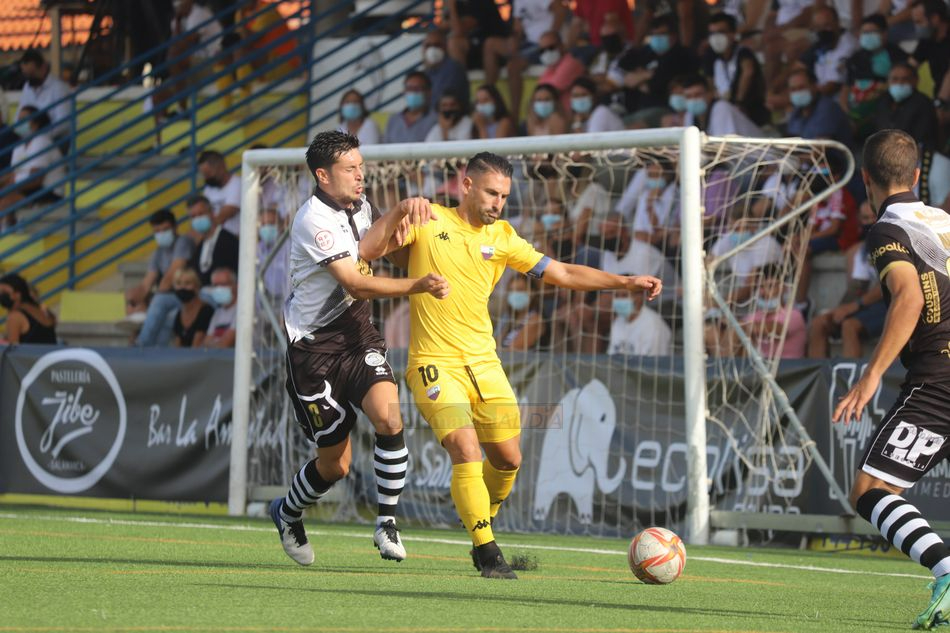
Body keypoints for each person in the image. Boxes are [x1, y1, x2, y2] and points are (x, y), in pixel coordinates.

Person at [358, 152, 661, 578]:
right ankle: (486, 551)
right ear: (466, 185)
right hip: (434, 363)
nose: (498, 202)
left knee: (508, 459)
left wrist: (625, 280)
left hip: (485, 363)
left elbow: (566, 275)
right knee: (465, 449)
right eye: (490, 192)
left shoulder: (504, 237)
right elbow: (368, 251)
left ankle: (480, 515)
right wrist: (401, 210)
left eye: (503, 195)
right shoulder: (429, 220)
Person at [270, 131, 449, 567]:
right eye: (350, 169)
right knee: (335, 465)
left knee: (389, 417)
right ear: (323, 175)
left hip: (358, 337)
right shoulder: (313, 219)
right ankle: (288, 512)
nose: (360, 176)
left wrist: (408, 228)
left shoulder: (361, 208)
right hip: (313, 351)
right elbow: (355, 281)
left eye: (361, 167)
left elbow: (376, 251)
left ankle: (386, 522)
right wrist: (417, 286)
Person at [833, 129, 950, 630]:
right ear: (918, 175)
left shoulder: (888, 231)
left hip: (940, 377)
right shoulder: (945, 221)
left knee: (870, 489)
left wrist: (871, 375)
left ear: (865, 180)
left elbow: (910, 297)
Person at [808, 201, 886, 358]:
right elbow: (857, 286)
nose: (869, 222)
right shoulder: (859, 251)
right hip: (865, 303)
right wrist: (841, 309)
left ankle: (850, 378)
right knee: (819, 323)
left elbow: (886, 286)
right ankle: (819, 379)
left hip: (887, 304)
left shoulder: (890, 245)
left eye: (873, 217)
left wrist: (854, 306)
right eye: (865, 218)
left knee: (849, 326)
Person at [132, 208, 196, 347]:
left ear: (175, 227)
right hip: (172, 302)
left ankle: (140, 346)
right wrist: (136, 300)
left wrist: (150, 302)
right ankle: (154, 356)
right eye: (157, 231)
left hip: (187, 296)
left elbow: (170, 278)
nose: (161, 234)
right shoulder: (158, 252)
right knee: (167, 317)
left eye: (165, 229)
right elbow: (146, 283)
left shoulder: (183, 242)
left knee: (160, 302)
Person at [0, 107, 65, 230]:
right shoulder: (19, 146)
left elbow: (36, 180)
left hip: (48, 191)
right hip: (24, 188)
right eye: (19, 119)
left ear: (36, 124)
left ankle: (6, 233)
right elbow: (12, 175)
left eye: (24, 119)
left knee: (6, 200)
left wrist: (9, 186)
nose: (19, 122)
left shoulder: (41, 142)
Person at [701, 12, 768, 127]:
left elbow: (748, 71)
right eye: (712, 33)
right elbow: (711, 85)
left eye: (721, 32)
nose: (716, 38)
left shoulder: (743, 53)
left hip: (750, 118)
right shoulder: (712, 58)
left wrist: (738, 102)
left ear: (733, 33)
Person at [871, 63, 939, 150]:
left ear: (915, 81)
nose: (899, 83)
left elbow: (922, 136)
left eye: (905, 79)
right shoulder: (882, 101)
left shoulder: (924, 103)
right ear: (888, 81)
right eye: (895, 79)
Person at [784, 68, 854, 146]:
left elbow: (818, 153)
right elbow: (790, 143)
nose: (797, 92)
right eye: (793, 89)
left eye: (801, 88)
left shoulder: (827, 109)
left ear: (814, 86)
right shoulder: (797, 111)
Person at [16, 49, 71, 145]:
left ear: (43, 68)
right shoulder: (27, 87)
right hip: (31, 139)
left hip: (56, 140)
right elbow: (19, 116)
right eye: (26, 75)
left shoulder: (59, 88)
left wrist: (41, 137)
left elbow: (63, 123)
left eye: (32, 74)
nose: (29, 79)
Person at [187, 195, 239, 288]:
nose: (197, 219)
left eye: (201, 214)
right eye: (193, 216)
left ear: (212, 213)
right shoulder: (199, 246)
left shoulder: (228, 241)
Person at [607, 285, 671, 356]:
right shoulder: (619, 320)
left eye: (624, 295)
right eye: (616, 296)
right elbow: (612, 356)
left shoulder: (653, 324)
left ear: (639, 297)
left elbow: (652, 362)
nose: (619, 299)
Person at [0, 272, 56, 345]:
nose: (1, 295)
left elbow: (12, 352)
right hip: (49, 355)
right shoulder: (39, 309)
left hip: (32, 356)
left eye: (4, 292)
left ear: (18, 294)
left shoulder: (15, 317)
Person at [383, 72, 439, 144]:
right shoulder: (393, 120)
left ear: (429, 92)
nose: (413, 92)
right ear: (404, 92)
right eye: (409, 88)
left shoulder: (436, 119)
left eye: (417, 88)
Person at [422, 29, 470, 112]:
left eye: (437, 45)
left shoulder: (453, 68)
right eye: (428, 46)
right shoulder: (428, 72)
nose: (432, 49)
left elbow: (440, 99)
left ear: (445, 46)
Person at [198, 150, 241, 237]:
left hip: (236, 238)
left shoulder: (238, 184)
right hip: (217, 237)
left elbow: (225, 214)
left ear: (221, 167)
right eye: (204, 175)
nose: (206, 178)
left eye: (208, 173)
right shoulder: (209, 188)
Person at [496, 275, 545, 351]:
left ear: (532, 292)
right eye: (511, 290)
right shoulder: (508, 318)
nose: (515, 294)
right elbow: (496, 343)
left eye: (520, 290)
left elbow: (513, 350)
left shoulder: (535, 320)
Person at [171, 267, 214, 348]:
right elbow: (177, 347)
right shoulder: (178, 314)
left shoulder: (206, 311)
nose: (182, 287)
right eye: (178, 283)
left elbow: (196, 346)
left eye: (187, 283)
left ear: (196, 287)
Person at [202, 267, 238, 348]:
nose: (219, 289)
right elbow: (205, 343)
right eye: (215, 285)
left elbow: (225, 344)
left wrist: (213, 343)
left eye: (223, 284)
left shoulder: (243, 311)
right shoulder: (218, 312)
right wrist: (216, 344)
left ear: (236, 286)